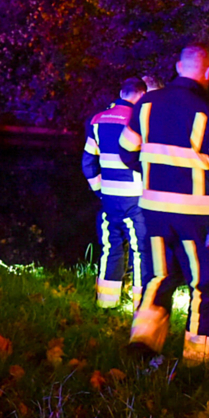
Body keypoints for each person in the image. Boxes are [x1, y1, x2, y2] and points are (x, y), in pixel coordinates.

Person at [119, 44, 209, 366]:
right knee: (205, 284)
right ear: (208, 72)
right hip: (198, 216)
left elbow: (126, 152)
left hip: (155, 211)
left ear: (177, 66)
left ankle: (143, 343)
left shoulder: (146, 103)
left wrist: (154, 173)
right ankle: (196, 361)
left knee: (158, 277)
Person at [82, 77, 148, 309]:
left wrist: (99, 190)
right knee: (140, 250)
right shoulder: (140, 119)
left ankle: (106, 303)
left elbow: (88, 162)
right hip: (135, 196)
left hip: (109, 197)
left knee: (111, 247)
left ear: (121, 92)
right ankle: (141, 305)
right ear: (141, 95)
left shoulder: (97, 120)